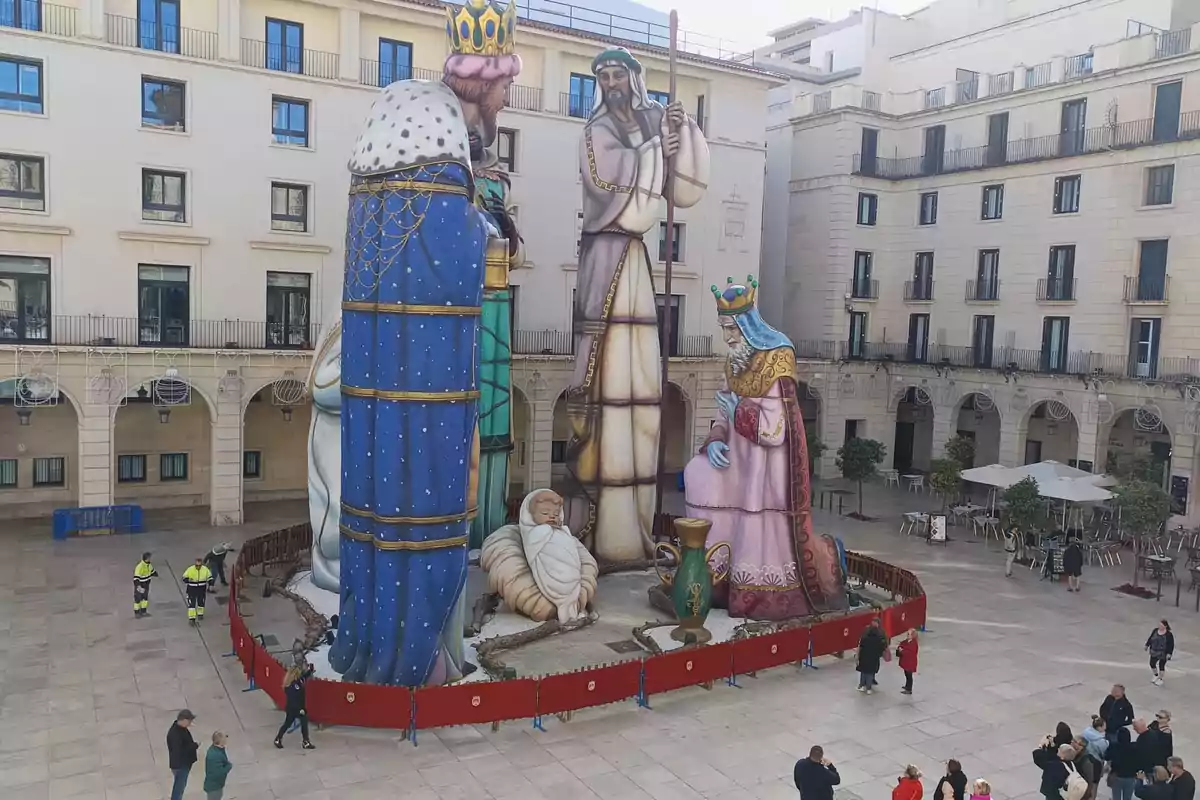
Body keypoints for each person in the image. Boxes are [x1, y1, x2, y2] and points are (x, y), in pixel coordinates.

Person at [562, 45, 710, 564]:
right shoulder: (594, 131)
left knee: (642, 385)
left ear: (634, 75)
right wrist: (655, 148)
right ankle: (604, 532)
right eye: (600, 74)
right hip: (605, 260)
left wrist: (680, 131)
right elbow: (612, 184)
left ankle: (635, 531)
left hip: (637, 269)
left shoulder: (652, 116)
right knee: (606, 388)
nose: (609, 81)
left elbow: (683, 191)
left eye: (616, 72)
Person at [683, 279, 849, 619]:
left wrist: (738, 414)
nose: (727, 337)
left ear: (747, 324)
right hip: (735, 453)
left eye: (731, 328)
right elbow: (720, 409)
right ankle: (711, 575)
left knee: (750, 512)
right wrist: (716, 437)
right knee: (696, 473)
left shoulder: (777, 358)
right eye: (723, 328)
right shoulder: (734, 361)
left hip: (764, 467)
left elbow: (775, 430)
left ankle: (756, 588)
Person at [274, 660, 315, 749]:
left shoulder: (297, 682)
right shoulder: (291, 686)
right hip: (295, 708)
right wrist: (300, 709)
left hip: (294, 708)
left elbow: (304, 677)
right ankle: (305, 741)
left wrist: (310, 671)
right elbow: (293, 699)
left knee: (288, 723)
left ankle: (278, 738)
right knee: (301, 722)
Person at [166, 709, 199, 800]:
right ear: (184, 720)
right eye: (189, 721)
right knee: (178, 790)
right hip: (180, 766)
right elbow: (180, 751)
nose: (190, 723)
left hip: (182, 764)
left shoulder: (180, 728)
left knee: (180, 787)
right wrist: (194, 746)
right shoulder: (175, 735)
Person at [856, 618, 888, 694]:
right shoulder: (880, 635)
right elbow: (883, 645)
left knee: (864, 671)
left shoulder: (865, 637)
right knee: (870, 671)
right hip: (874, 657)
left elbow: (860, 646)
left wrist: (858, 656)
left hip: (864, 657)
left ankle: (862, 685)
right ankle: (868, 687)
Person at [1111, 727, 1142, 800]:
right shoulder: (1134, 747)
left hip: (1117, 776)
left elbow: (1110, 759)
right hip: (1130, 776)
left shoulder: (1115, 747)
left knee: (1116, 797)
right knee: (1127, 797)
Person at [182, 557, 213, 625]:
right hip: (192, 590)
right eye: (197, 565)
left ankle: (200, 614)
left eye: (199, 565)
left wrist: (210, 583)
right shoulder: (190, 569)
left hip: (201, 589)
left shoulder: (205, 570)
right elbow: (184, 577)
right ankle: (192, 618)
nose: (198, 567)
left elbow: (210, 577)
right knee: (191, 604)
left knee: (201, 602)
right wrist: (188, 580)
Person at [203, 731, 232, 800]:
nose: (226, 740)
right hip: (214, 787)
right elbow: (218, 773)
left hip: (216, 785)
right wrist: (229, 766)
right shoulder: (214, 755)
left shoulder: (217, 749)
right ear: (220, 741)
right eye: (225, 738)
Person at [1145, 621, 1174, 686]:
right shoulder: (1155, 631)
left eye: (1161, 625)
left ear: (1165, 626)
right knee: (1152, 663)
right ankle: (1155, 675)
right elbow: (1150, 638)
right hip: (1154, 651)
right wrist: (1147, 645)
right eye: (1159, 625)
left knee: (1161, 665)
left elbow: (1171, 645)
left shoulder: (1169, 635)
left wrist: (1169, 653)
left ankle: (1160, 679)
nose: (1159, 626)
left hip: (1163, 652)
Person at [1072, 735, 1101, 800]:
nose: (1072, 742)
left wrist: (1087, 795)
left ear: (1081, 747)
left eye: (1074, 741)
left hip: (1083, 789)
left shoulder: (1086, 761)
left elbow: (1089, 780)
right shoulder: (1074, 754)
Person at [133, 551, 158, 617]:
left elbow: (152, 571)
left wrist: (155, 574)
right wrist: (138, 586)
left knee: (145, 598)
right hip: (140, 585)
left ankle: (143, 611)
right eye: (149, 558)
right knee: (138, 599)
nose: (150, 559)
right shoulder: (139, 567)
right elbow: (136, 578)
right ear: (146, 559)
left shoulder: (149, 565)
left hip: (146, 584)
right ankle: (137, 613)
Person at [897, 629, 919, 695]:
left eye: (909, 634)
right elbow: (902, 644)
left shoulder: (914, 643)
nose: (907, 635)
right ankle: (907, 686)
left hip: (910, 662)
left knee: (909, 675)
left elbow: (910, 652)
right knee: (906, 674)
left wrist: (902, 651)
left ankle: (909, 689)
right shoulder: (907, 641)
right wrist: (900, 648)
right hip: (907, 661)